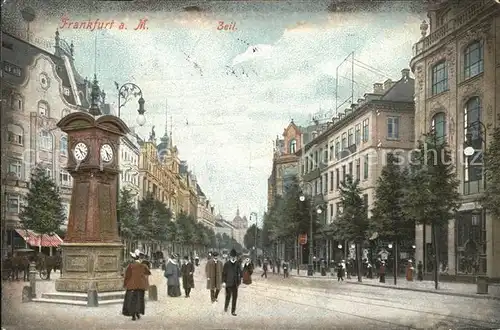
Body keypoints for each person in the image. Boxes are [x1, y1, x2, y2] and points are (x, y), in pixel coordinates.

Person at [122, 249, 151, 321]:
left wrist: (125, 284)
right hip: (140, 286)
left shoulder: (130, 266)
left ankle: (133, 315)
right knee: (139, 300)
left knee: (132, 300)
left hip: (132, 286)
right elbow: (148, 273)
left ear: (133, 258)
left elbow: (127, 276)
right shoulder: (143, 266)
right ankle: (138, 313)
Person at [222, 249, 242, 316]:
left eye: (234, 256)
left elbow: (240, 273)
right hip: (228, 283)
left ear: (236, 257)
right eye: (232, 256)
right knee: (228, 296)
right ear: (230, 256)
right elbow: (224, 274)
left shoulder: (237, 264)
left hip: (235, 284)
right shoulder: (226, 264)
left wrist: (239, 282)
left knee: (234, 298)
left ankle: (233, 311)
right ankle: (226, 307)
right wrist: (224, 282)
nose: (233, 257)